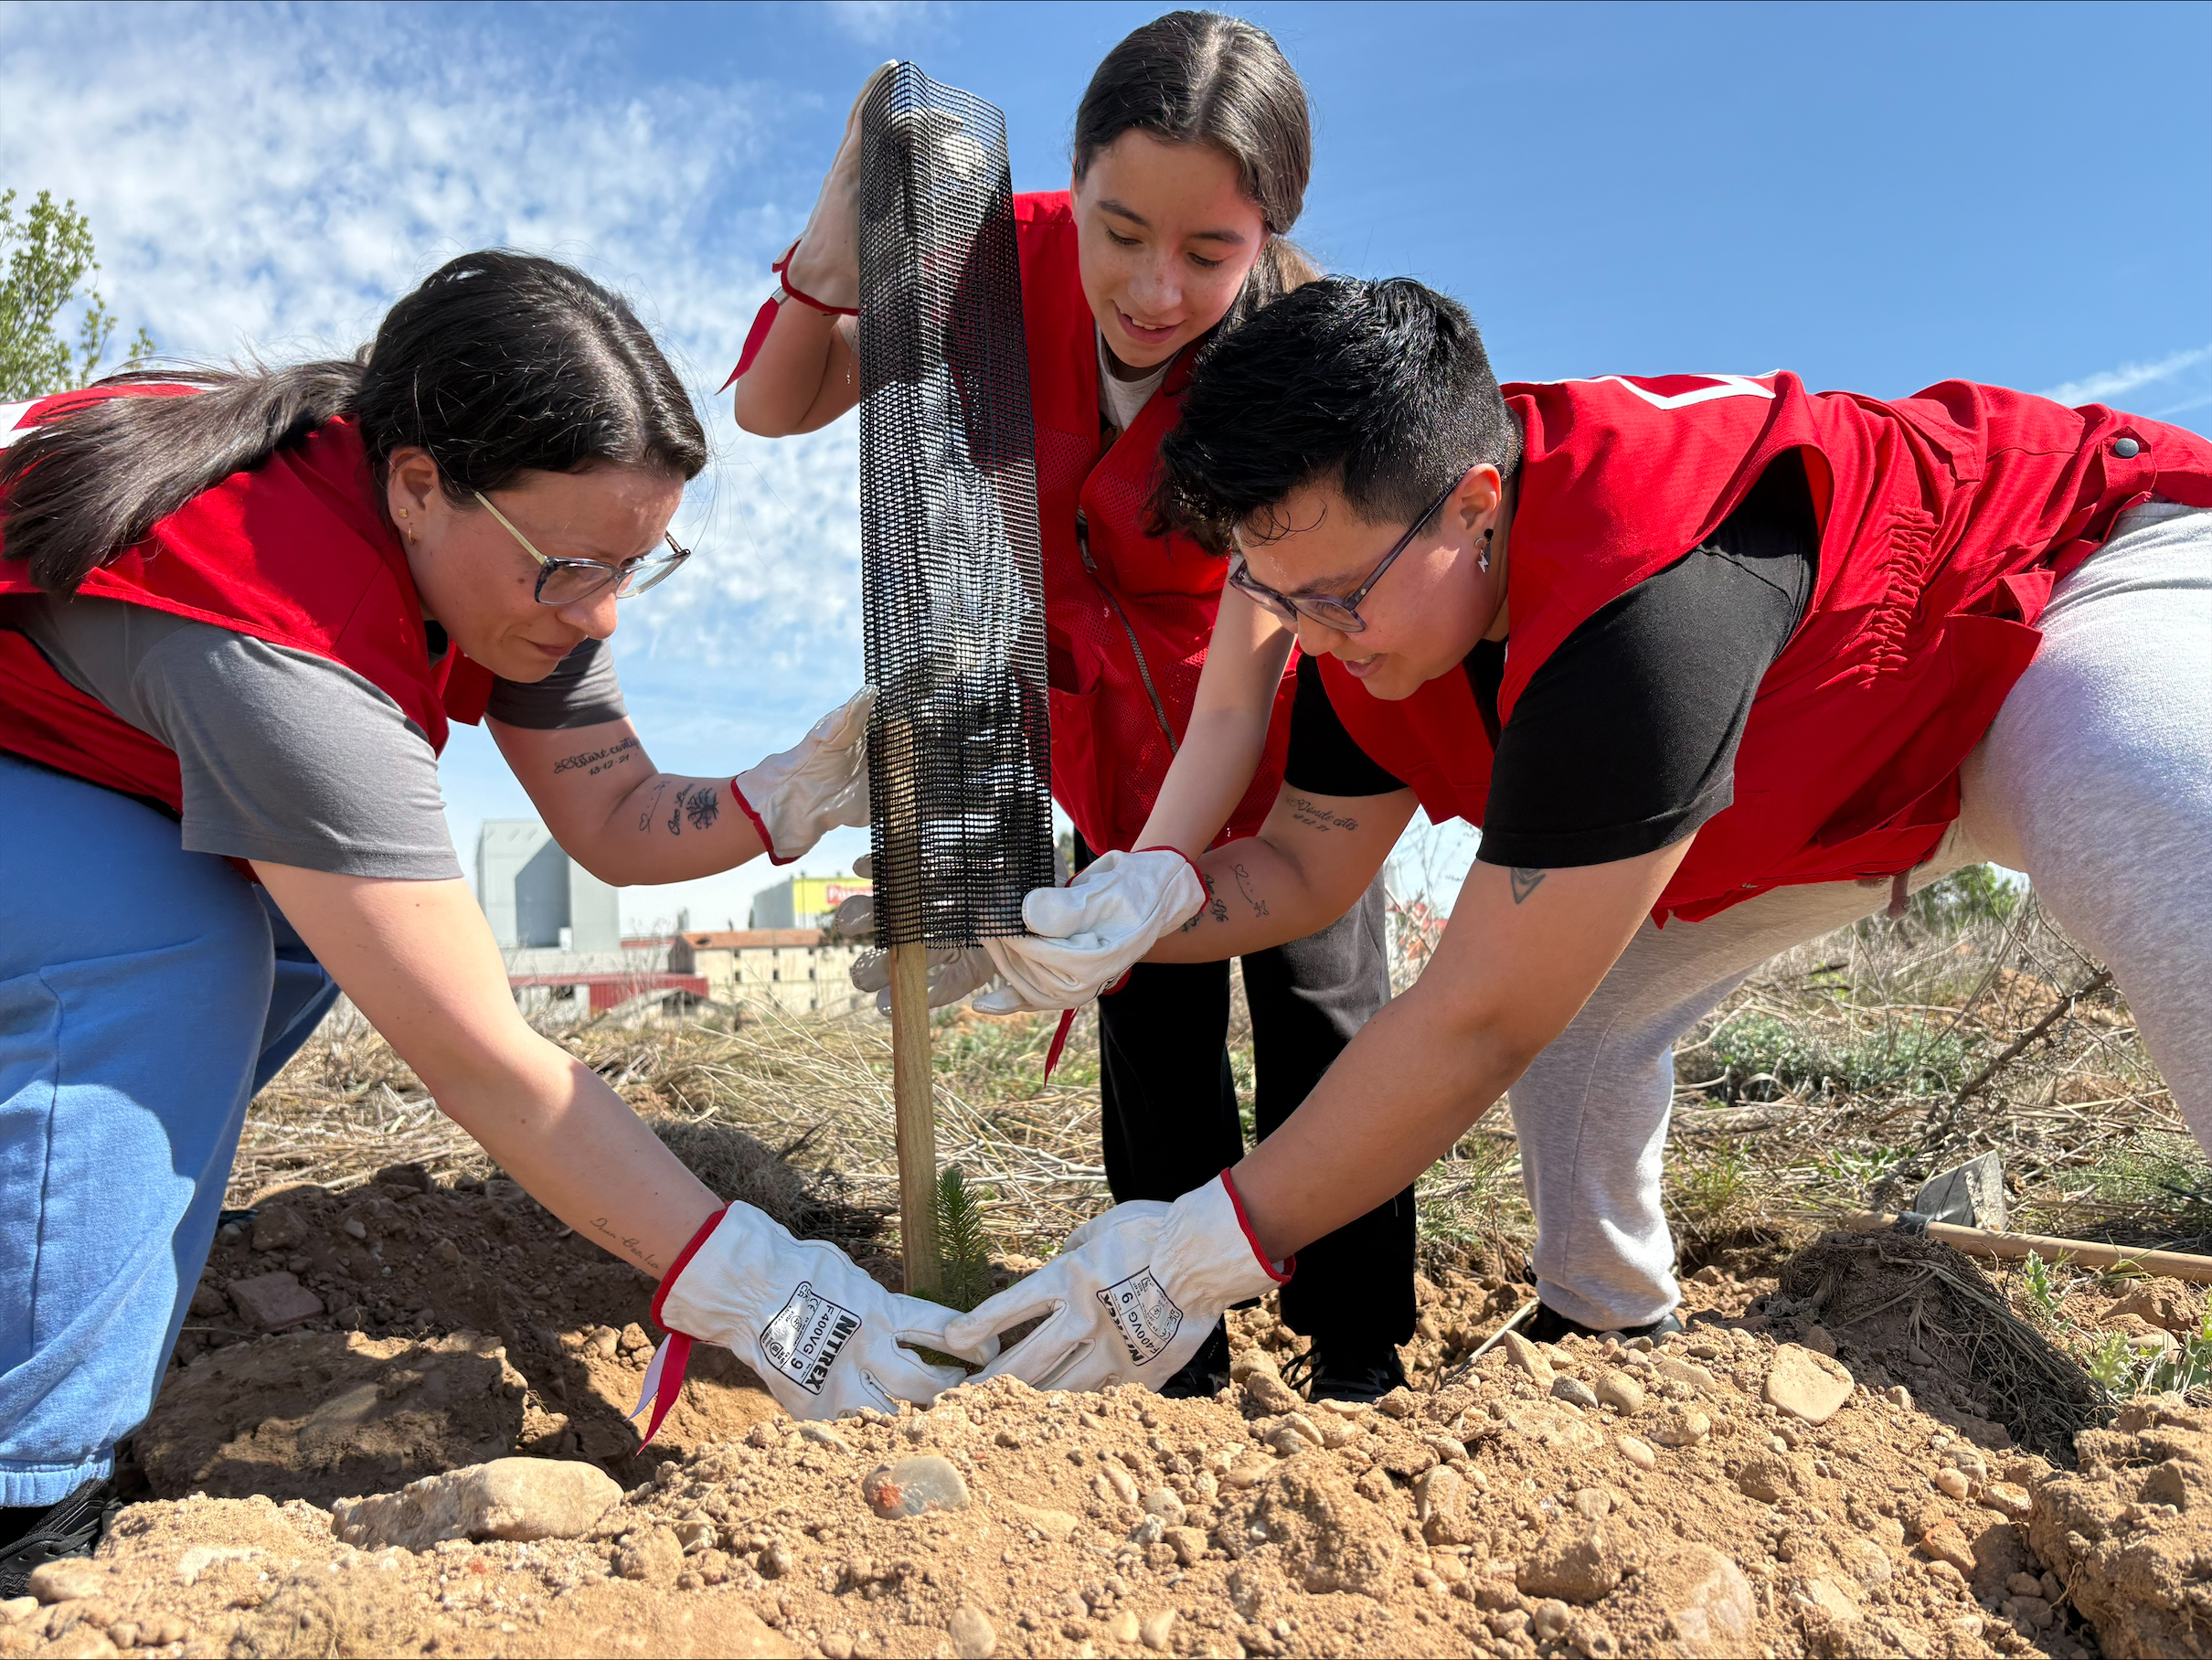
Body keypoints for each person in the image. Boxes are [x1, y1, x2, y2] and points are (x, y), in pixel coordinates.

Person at [948, 274, 2212, 1390]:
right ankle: (1611, 1341)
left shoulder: (1637, 605)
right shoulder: (1371, 620)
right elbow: (1298, 868)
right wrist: (1110, 924)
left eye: (1337, 599)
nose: (1314, 641)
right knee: (1580, 1017)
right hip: (1832, 776)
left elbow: (1472, 1020)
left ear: (1474, 507)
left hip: (2042, 593)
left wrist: (1191, 1254)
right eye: (1278, 601)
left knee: (2141, 819)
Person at [0, 251, 984, 1592]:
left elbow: (614, 811)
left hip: (57, 752)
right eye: (574, 569)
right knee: (168, 954)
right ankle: (29, 1492)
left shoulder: (490, 545)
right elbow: (483, 1066)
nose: (602, 614)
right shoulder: (289, 638)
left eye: (637, 564)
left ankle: (72, 1223)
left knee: (294, 935)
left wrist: (782, 796)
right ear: (418, 487)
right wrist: (760, 1287)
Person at [730, 15, 1414, 1403]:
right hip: (1101, 733)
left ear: (1269, 235)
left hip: (1275, 731)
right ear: (1076, 179)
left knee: (1321, 1012)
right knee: (1150, 1028)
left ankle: (1358, 1349)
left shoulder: (1295, 354)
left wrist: (1177, 862)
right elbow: (773, 404)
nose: (1155, 290)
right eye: (1121, 231)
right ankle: (1170, 1355)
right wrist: (830, 253)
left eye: (1209, 253)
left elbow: (1259, 644)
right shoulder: (981, 264)